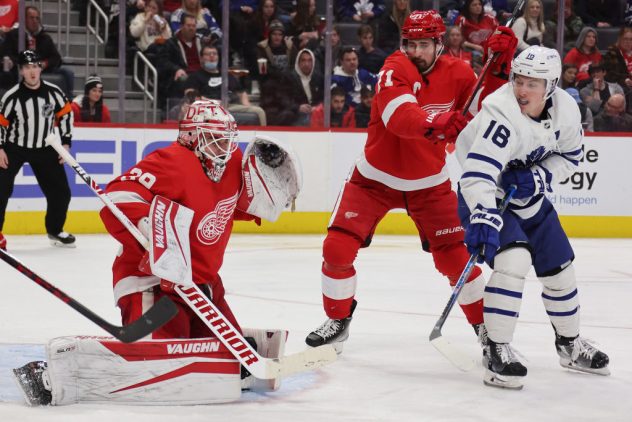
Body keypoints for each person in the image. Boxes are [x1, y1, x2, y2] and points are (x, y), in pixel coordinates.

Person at [11, 99, 302, 406]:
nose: (226, 147)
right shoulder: (171, 161)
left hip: (201, 286)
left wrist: (275, 182)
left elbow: (233, 206)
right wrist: (148, 224)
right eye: (215, 139)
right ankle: (54, 374)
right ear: (191, 137)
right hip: (149, 281)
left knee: (227, 365)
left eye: (229, 138)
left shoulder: (229, 163)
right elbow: (118, 198)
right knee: (159, 363)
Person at [304, 10, 517, 353]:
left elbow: (486, 110)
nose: (414, 50)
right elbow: (398, 117)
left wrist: (499, 68)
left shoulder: (460, 72)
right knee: (337, 249)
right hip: (373, 180)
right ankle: (338, 320)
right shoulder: (394, 67)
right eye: (410, 43)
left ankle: (486, 330)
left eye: (422, 44)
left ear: (439, 44)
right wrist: (437, 124)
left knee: (455, 260)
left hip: (429, 184)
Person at [455, 46, 610, 390]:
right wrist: (482, 217)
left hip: (529, 197)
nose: (522, 89)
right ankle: (496, 350)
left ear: (551, 86)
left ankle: (569, 345)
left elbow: (570, 157)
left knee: (560, 269)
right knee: (513, 260)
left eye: (533, 83)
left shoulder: (567, 109)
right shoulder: (501, 113)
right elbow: (477, 174)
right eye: (518, 80)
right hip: (486, 196)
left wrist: (537, 178)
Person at [0, 50, 75, 250]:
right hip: (14, 147)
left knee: (61, 192)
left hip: (45, 147)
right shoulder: (12, 96)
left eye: (34, 67)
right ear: (21, 71)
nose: (31, 71)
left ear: (40, 68)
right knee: (1, 189)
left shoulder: (54, 92)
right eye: (27, 67)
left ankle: (55, 229)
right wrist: (0, 148)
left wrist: (65, 144)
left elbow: (66, 114)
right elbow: (1, 123)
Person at [184, 45, 267, 126]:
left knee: (259, 111)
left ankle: (262, 137)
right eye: (208, 54)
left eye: (214, 54)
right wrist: (211, 102)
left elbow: (241, 91)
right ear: (201, 58)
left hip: (229, 106)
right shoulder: (195, 76)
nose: (212, 56)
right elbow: (190, 95)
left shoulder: (226, 74)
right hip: (208, 108)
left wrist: (246, 104)